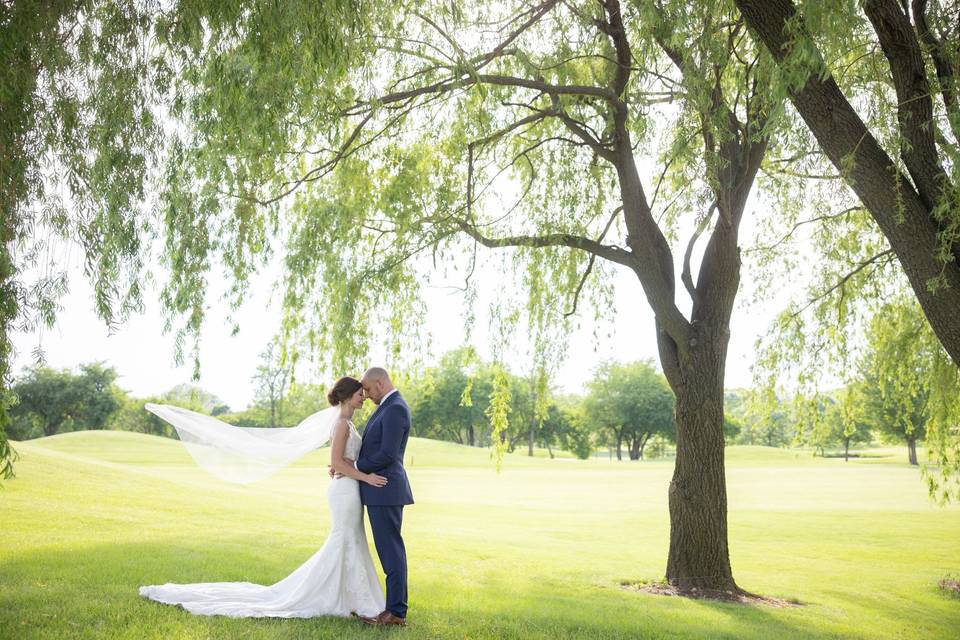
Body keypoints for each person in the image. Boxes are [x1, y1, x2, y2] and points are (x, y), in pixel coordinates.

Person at [139, 376, 388, 619]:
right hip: (345, 491)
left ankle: (351, 597)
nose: (364, 397)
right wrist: (364, 476)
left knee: (351, 539)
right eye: (359, 393)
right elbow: (336, 461)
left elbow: (340, 459)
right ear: (346, 396)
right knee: (344, 538)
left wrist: (349, 466)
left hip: (348, 488)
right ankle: (341, 597)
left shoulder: (347, 423)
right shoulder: (341, 423)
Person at [331, 366, 414, 626]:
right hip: (377, 490)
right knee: (388, 551)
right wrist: (342, 464)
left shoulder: (395, 408)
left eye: (367, 388)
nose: (365, 394)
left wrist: (353, 467)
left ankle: (396, 612)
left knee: (391, 552)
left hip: (385, 489)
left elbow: (388, 454)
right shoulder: (387, 407)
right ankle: (392, 608)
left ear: (380, 383)